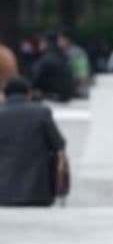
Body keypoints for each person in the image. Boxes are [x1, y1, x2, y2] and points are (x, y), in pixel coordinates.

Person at [0, 77, 68, 207]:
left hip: (3, 195)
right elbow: (59, 144)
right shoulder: (41, 112)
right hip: (37, 193)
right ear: (29, 94)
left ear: (4, 94)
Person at [31, 33, 75, 102]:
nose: (39, 44)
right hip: (66, 96)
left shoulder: (47, 58)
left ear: (47, 43)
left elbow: (34, 79)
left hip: (52, 97)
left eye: (41, 42)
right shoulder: (62, 56)